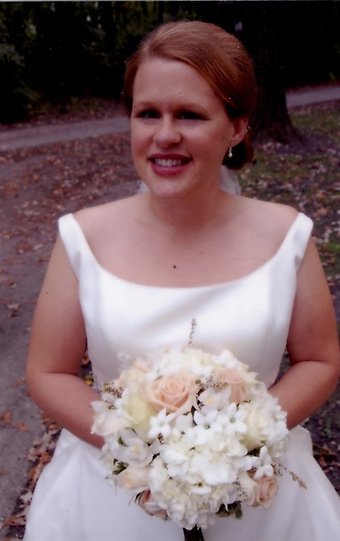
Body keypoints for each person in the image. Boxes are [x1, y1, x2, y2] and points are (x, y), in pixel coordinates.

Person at [24, 21, 340, 541]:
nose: (164, 135)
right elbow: (48, 372)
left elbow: (319, 359)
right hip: (111, 502)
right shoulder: (82, 237)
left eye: (189, 115)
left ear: (237, 126)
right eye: (148, 113)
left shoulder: (288, 236)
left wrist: (240, 443)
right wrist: (146, 449)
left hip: (262, 500)